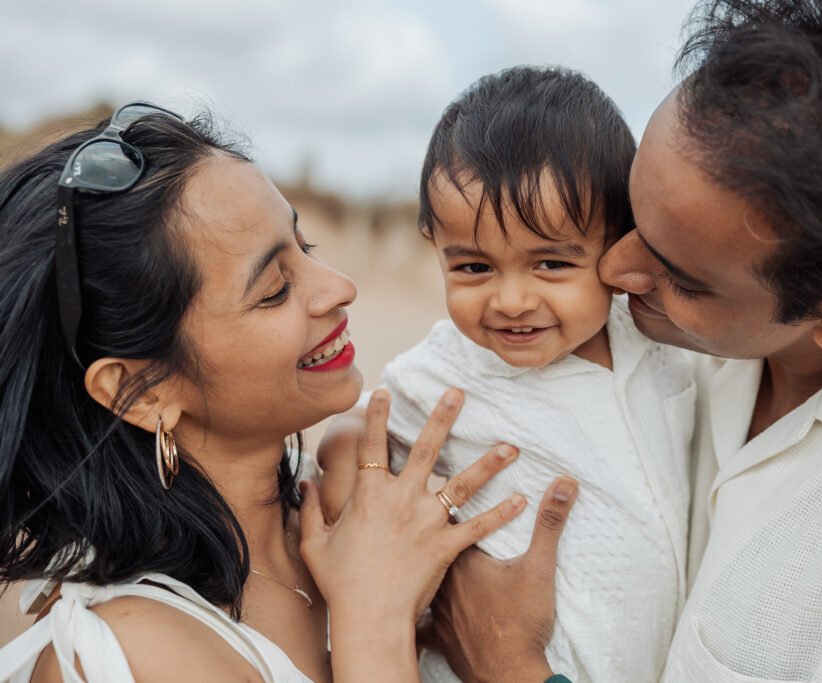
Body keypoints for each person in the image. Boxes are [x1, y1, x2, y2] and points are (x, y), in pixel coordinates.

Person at [412, 0, 822, 680]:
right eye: (628, 222)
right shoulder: (654, 324)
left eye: (677, 274)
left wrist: (510, 665)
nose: (614, 271)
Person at [0, 103, 577, 682]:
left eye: (307, 247)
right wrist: (377, 625)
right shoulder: (127, 656)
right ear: (138, 392)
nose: (341, 289)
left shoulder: (367, 510)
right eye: (275, 289)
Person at [322, 66, 693, 683]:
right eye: (472, 268)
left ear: (619, 243)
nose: (511, 300)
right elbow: (365, 422)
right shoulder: (448, 371)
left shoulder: (657, 342)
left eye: (550, 263)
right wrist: (343, 460)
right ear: (434, 246)